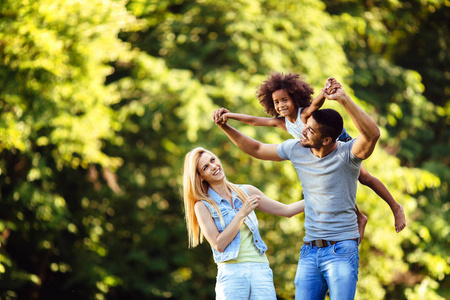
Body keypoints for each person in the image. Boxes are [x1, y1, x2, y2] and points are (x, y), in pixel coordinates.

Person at [212, 85, 383, 299]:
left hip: (342, 249)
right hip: (309, 251)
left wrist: (344, 99)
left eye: (311, 130)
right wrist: (225, 127)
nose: (303, 130)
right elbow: (256, 149)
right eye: (306, 125)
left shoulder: (348, 154)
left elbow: (373, 134)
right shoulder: (296, 149)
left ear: (327, 140)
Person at [218, 72, 405, 233]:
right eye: (276, 102)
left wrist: (326, 91)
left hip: (339, 143)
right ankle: (359, 217)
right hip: (320, 153)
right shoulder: (280, 122)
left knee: (365, 178)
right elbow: (252, 121)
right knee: (331, 183)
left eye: (285, 100)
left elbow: (317, 103)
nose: (281, 105)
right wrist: (229, 116)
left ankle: (395, 207)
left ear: (295, 99)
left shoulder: (304, 115)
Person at [182, 147, 305, 300]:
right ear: (200, 177)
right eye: (205, 167)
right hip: (232, 272)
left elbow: (287, 210)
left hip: (260, 269)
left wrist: (319, 196)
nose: (213, 166)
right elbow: (219, 245)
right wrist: (241, 214)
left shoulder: (246, 191)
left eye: (213, 160)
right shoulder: (203, 206)